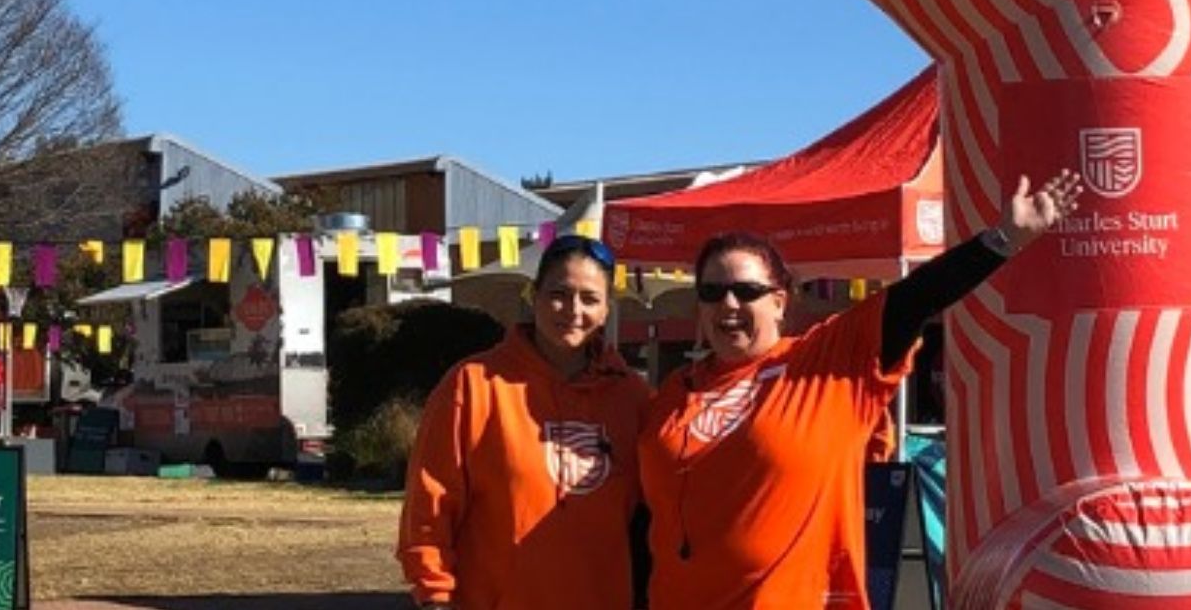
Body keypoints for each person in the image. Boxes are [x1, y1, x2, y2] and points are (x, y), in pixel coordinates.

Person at [639, 171, 1082, 608]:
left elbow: (915, 299)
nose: (729, 304)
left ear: (780, 301)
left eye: (747, 290)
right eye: (713, 292)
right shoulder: (674, 392)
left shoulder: (825, 363)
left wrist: (1000, 241)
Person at [398, 234, 651, 610]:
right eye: (559, 294)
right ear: (534, 296)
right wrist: (434, 591)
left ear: (607, 309)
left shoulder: (632, 396)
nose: (572, 310)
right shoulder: (474, 383)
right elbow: (430, 499)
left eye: (590, 298)